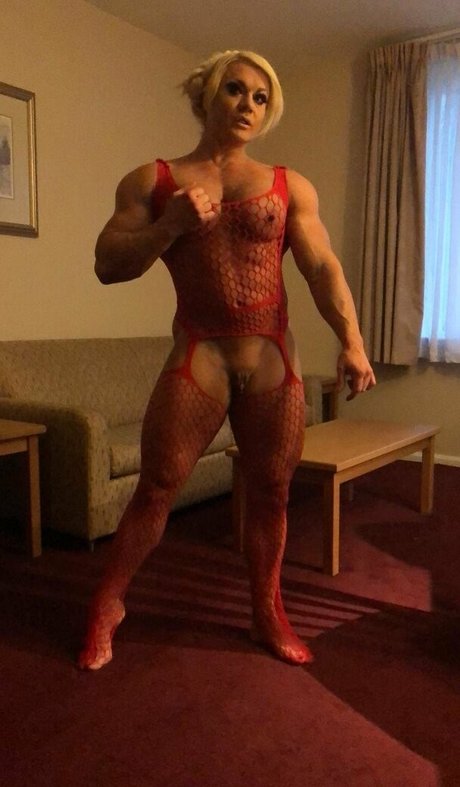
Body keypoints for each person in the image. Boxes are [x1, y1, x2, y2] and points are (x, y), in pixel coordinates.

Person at [78, 49, 376, 671]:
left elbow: (322, 268)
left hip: (271, 355)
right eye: (236, 90)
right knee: (157, 487)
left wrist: (351, 340)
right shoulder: (153, 181)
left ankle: (267, 611)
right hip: (200, 354)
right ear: (207, 95)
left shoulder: (288, 185)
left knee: (272, 490)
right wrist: (169, 225)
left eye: (261, 98)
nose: (248, 105)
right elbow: (107, 265)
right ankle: (107, 604)